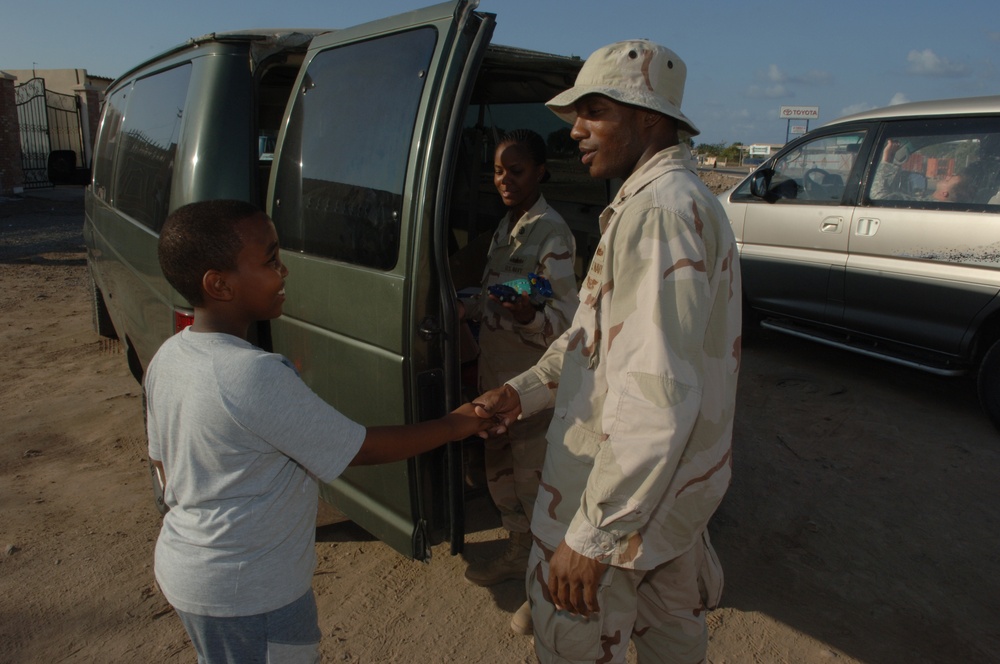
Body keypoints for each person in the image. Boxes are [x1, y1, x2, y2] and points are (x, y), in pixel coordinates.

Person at [472, 40, 742, 663]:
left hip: (618, 505)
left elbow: (657, 396)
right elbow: (596, 341)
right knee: (671, 640)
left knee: (575, 643)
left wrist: (592, 538)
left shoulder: (659, 213)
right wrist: (524, 390)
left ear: (647, 117)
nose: (576, 132)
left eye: (593, 112)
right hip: (665, 507)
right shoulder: (670, 202)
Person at [145, 199, 490, 664]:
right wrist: (456, 423)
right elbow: (357, 448)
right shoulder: (249, 374)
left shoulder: (170, 356)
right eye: (270, 260)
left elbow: (163, 463)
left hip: (193, 570)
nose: (283, 271)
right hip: (249, 592)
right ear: (219, 283)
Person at [459, 130, 579, 605]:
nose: (504, 180)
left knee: (537, 489)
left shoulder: (552, 232)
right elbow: (494, 293)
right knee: (501, 476)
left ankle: (546, 592)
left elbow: (570, 324)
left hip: (531, 388)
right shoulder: (507, 227)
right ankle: (518, 555)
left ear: (541, 171)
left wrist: (531, 317)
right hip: (496, 380)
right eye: (497, 171)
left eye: (516, 170)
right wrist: (462, 309)